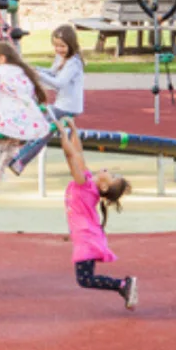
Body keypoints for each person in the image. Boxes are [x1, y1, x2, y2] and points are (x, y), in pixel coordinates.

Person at [58, 122, 137, 309]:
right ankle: (123, 286)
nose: (110, 171)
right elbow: (78, 153)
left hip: (86, 236)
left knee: (85, 279)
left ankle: (123, 285)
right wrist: (73, 132)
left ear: (104, 186)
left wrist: (62, 135)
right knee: (85, 278)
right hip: (87, 234)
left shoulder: (83, 183)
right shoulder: (87, 182)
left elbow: (71, 157)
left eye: (113, 176)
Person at [0, 41, 51, 187]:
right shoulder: (20, 73)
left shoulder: (1, 72)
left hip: (11, 118)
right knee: (12, 145)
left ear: (2, 59)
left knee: (0, 143)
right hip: (27, 119)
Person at [11, 25, 88, 176]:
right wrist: (35, 69)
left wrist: (37, 75)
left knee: (42, 129)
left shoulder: (74, 63)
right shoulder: (61, 58)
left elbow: (59, 82)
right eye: (56, 46)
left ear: (71, 45)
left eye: (62, 46)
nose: (59, 49)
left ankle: (20, 160)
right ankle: (19, 156)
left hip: (68, 106)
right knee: (40, 127)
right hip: (61, 104)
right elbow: (52, 72)